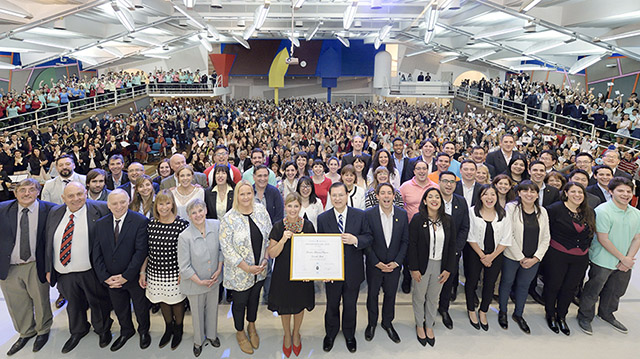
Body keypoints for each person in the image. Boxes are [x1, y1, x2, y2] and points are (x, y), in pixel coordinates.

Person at [44, 182, 112, 353]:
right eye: (71, 196)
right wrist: (48, 268)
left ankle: (103, 329)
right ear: (63, 198)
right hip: (64, 271)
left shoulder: (101, 209)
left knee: (97, 302)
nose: (76, 199)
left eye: (80, 194)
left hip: (90, 270)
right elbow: (47, 242)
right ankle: (78, 330)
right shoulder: (55, 212)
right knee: (73, 304)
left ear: (86, 194)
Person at [0, 179, 56, 356]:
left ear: (38, 192)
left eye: (31, 190)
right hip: (10, 265)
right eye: (22, 190)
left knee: (40, 299)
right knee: (16, 302)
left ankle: (43, 330)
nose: (26, 194)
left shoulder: (50, 210)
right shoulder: (2, 209)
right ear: (15, 193)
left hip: (35, 263)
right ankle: (26, 332)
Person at [578, 177, 640, 335]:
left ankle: (606, 313)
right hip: (603, 260)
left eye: (628, 191)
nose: (625, 194)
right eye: (620, 191)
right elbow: (603, 239)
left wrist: (628, 259)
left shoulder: (636, 213)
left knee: (616, 291)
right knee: (593, 290)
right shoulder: (603, 211)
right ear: (611, 192)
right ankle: (585, 316)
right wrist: (623, 258)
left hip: (625, 261)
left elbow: (637, 237)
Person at [92, 189, 150, 351]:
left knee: (140, 307)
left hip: (132, 276)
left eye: (122, 202)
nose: (119, 206)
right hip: (111, 278)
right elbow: (96, 253)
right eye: (115, 203)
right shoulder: (101, 224)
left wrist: (126, 276)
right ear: (108, 205)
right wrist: (105, 277)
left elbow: (141, 252)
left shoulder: (140, 221)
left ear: (129, 201)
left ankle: (144, 331)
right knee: (120, 307)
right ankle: (126, 330)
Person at [317, 182, 372, 354]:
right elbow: (321, 246)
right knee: (332, 305)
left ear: (347, 195)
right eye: (334, 195)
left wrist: (356, 240)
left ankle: (349, 334)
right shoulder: (323, 218)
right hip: (332, 272)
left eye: (341, 195)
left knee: (350, 305)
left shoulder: (360, 215)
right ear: (330, 197)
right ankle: (331, 333)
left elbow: (369, 237)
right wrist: (323, 271)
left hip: (353, 271)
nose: (338, 198)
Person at [219, 180, 272, 355]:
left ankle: (252, 326)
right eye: (242, 194)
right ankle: (240, 332)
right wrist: (246, 268)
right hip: (239, 272)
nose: (246, 197)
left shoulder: (261, 211)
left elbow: (269, 236)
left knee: (254, 299)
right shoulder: (229, 218)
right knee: (240, 303)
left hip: (260, 268)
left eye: (249, 193)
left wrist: (265, 258)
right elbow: (227, 248)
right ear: (236, 196)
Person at [139, 190, 190, 350]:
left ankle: (179, 329)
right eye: (161, 203)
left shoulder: (182, 224)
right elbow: (147, 251)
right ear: (156, 206)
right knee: (162, 301)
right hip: (155, 272)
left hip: (175, 272)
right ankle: (168, 328)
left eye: (168, 203)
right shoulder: (151, 224)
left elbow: (186, 252)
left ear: (173, 204)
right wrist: (142, 271)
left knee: (176, 302)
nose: (164, 207)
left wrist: (183, 272)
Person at [543, 182, 595, 336]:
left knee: (570, 288)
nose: (577, 195)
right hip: (557, 255)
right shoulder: (554, 209)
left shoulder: (589, 212)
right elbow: (547, 231)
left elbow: (590, 233)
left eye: (580, 192)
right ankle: (550, 314)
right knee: (554, 285)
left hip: (580, 258)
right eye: (573, 191)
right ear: (565, 193)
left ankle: (562, 315)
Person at [267, 193, 315, 358]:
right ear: (285, 207)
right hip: (282, 274)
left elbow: (313, 253)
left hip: (302, 275)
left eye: (296, 206)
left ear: (300, 207)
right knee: (285, 306)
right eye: (289, 206)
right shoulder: (278, 227)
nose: (293, 209)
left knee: (299, 305)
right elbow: (272, 253)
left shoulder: (307, 226)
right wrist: (282, 240)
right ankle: (287, 334)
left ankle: (296, 333)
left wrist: (311, 272)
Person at [499, 181, 550, 334]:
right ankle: (502, 312)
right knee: (506, 283)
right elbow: (509, 234)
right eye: (525, 191)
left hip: (533, 258)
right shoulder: (511, 208)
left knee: (523, 286)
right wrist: (521, 257)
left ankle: (518, 314)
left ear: (537, 194)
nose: (529, 194)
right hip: (512, 256)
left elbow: (546, 237)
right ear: (519, 193)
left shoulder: (542, 211)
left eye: (533, 191)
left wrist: (536, 258)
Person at [408, 187, 456, 346]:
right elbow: (412, 245)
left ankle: (429, 325)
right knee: (419, 296)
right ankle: (419, 325)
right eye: (431, 197)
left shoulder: (448, 220)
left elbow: (452, 247)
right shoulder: (417, 219)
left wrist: (448, 268)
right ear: (425, 201)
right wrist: (413, 268)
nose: (434, 200)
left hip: (440, 265)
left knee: (433, 298)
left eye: (437, 197)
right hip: (422, 265)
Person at [364, 183, 408, 344]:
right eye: (383, 193)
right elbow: (366, 241)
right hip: (375, 265)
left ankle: (387, 322)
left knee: (390, 294)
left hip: (394, 266)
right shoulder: (368, 214)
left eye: (389, 193)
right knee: (372, 295)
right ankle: (372, 323)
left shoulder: (402, 215)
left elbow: (405, 241)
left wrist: (397, 262)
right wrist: (376, 262)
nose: (386, 196)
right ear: (377, 196)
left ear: (394, 196)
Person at [178, 199, 223, 357]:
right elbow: (184, 266)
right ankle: (198, 340)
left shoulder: (216, 225)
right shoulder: (184, 236)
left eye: (200, 210)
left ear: (205, 211)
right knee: (196, 313)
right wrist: (200, 281)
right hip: (194, 283)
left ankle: (211, 335)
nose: (198, 215)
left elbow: (221, 249)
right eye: (193, 212)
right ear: (189, 216)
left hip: (214, 278)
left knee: (212, 309)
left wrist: (219, 269)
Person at [465, 184, 512, 331]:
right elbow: (470, 235)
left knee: (490, 284)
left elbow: (506, 238)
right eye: (485, 194)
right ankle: (471, 309)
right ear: (480, 196)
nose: (489, 198)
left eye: (492, 194)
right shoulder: (472, 212)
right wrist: (482, 255)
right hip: (475, 252)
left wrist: (491, 256)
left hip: (495, 254)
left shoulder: (503, 214)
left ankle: (483, 310)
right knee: (472, 281)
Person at [436, 171, 470, 330]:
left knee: (448, 281)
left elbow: (464, 227)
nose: (448, 185)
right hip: (432, 249)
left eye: (452, 182)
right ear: (439, 182)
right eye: (445, 181)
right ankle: (427, 308)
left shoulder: (461, 202)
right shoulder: (432, 198)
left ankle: (444, 309)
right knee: (429, 281)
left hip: (452, 252)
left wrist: (456, 250)